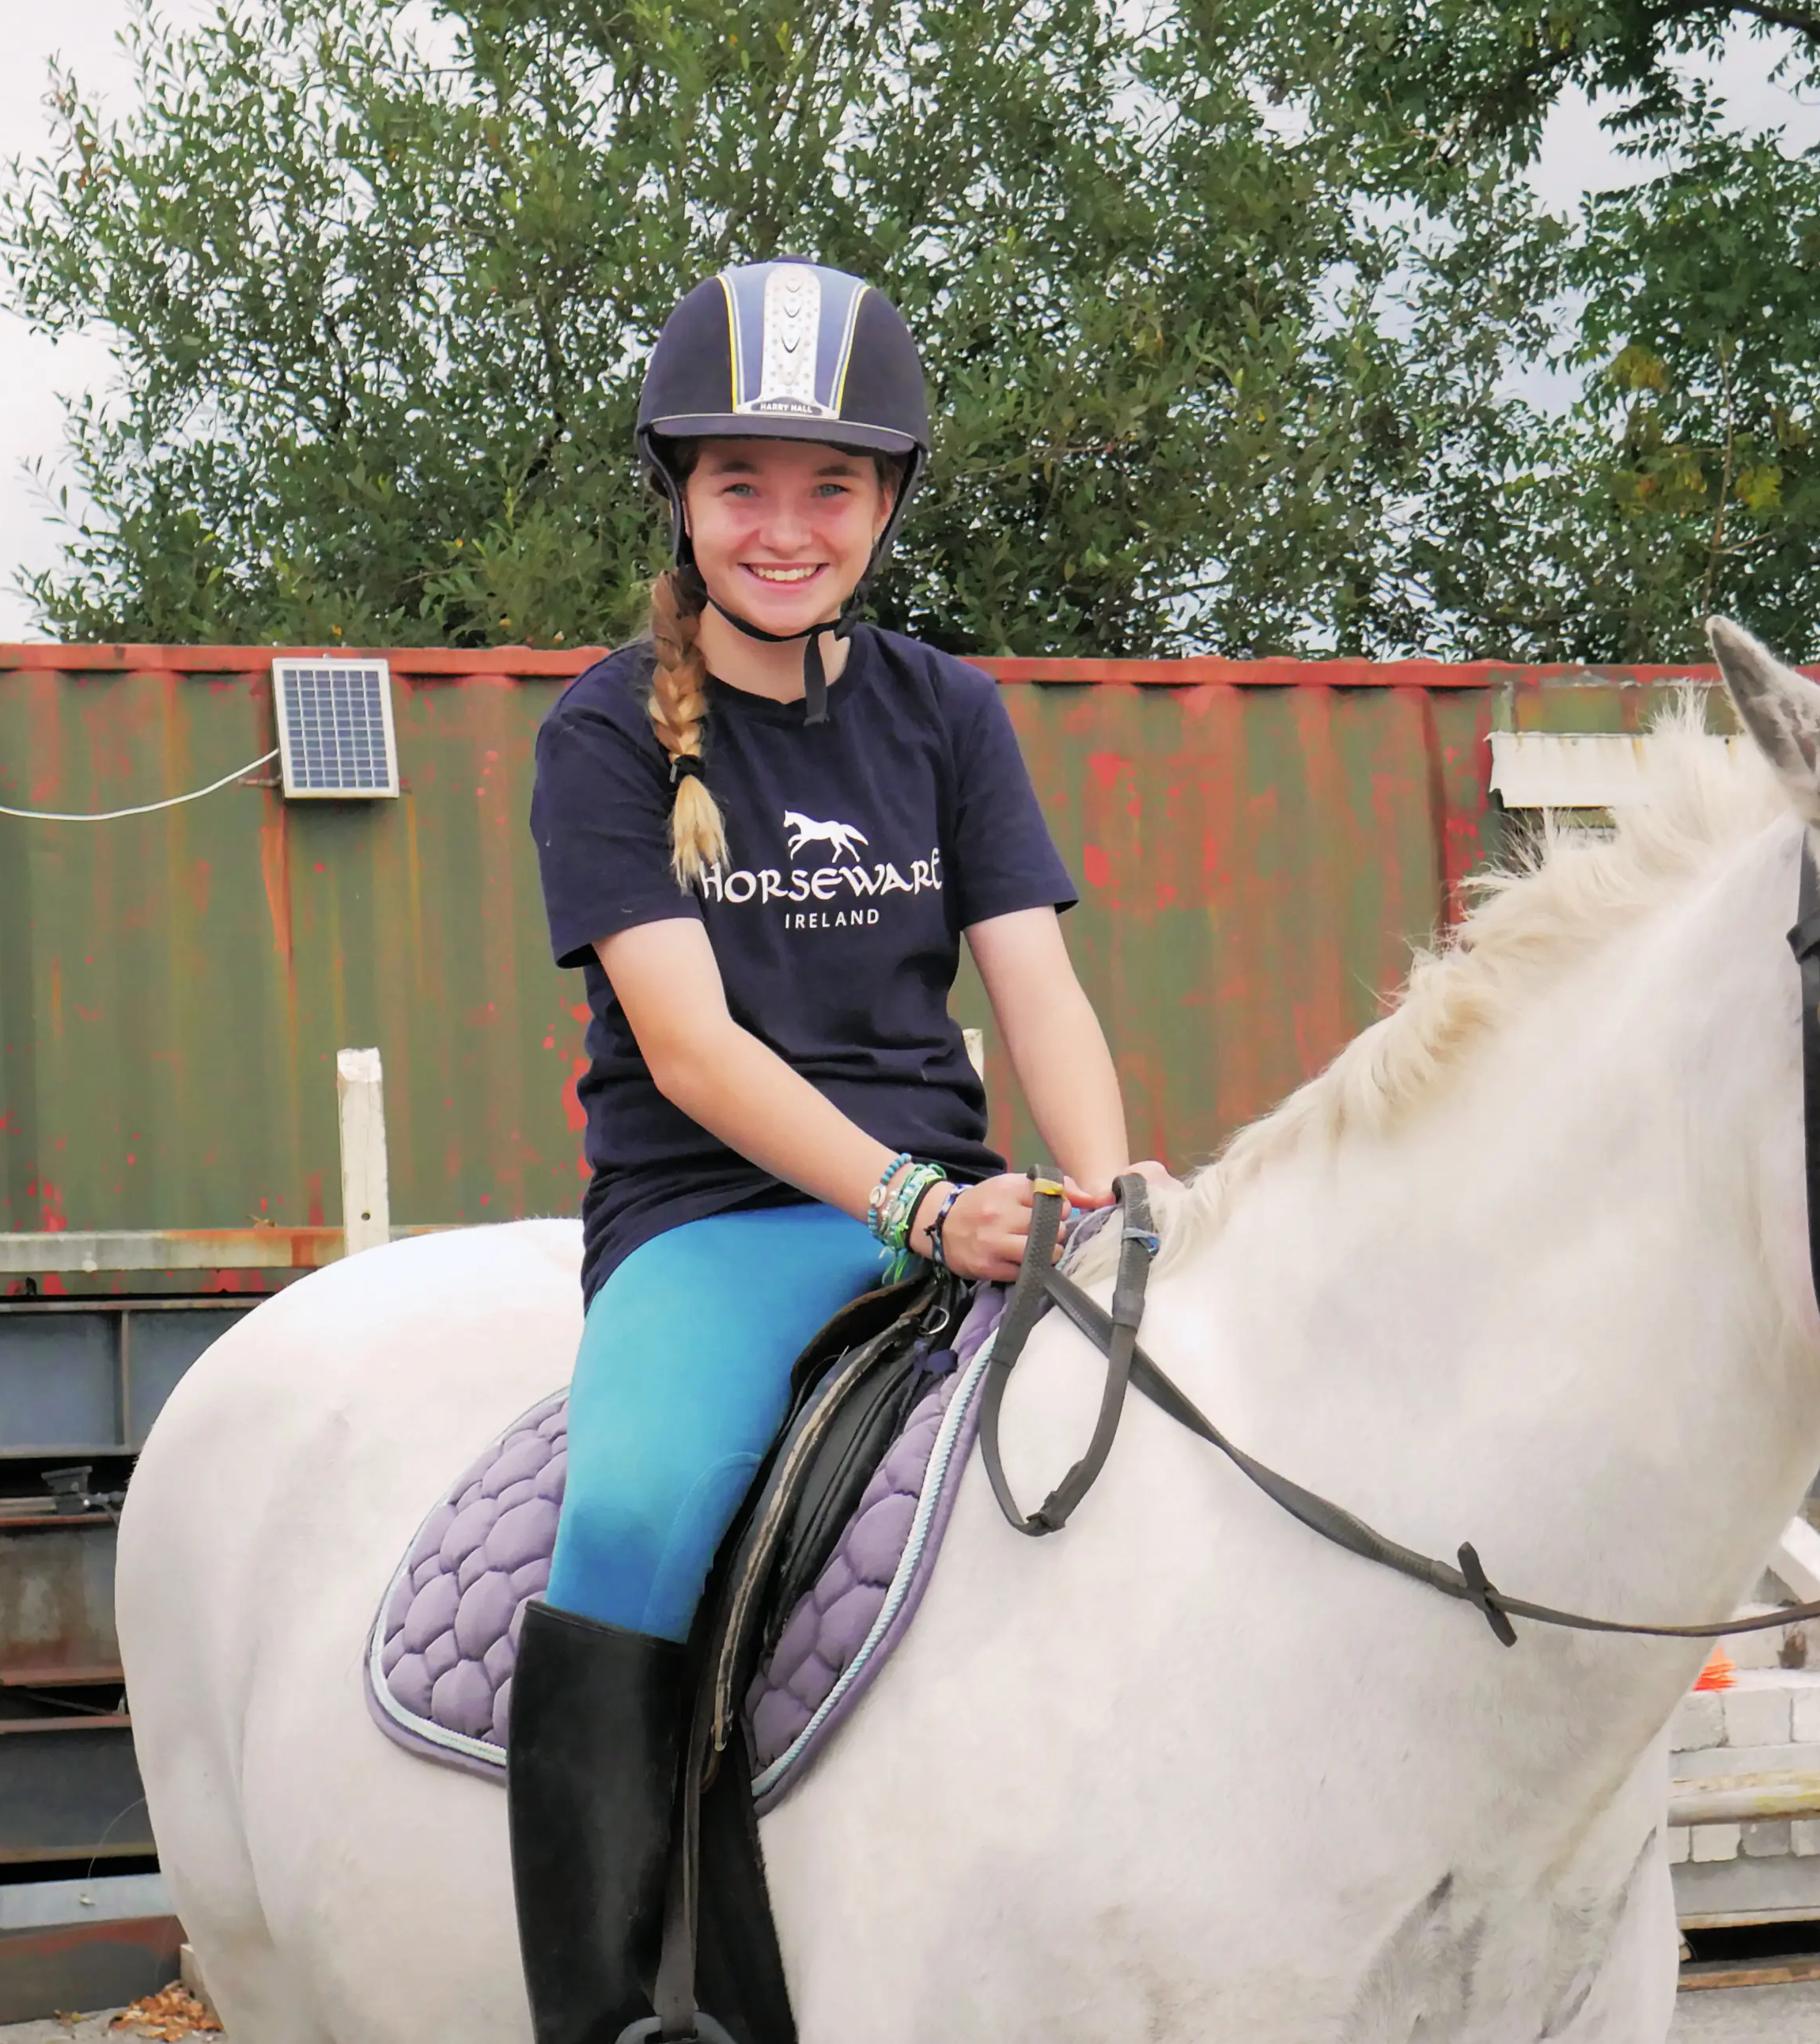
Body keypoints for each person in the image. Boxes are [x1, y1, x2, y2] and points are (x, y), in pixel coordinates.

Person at [513, 257, 1166, 2044]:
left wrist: (1104, 1195)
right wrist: (912, 1201)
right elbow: (689, 1044)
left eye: (830, 488)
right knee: (637, 1506)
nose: (785, 528)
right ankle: (602, 2015)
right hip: (720, 1220)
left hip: (957, 1211)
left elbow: (1038, 987)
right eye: (743, 484)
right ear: (683, 496)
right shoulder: (599, 734)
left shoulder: (947, 713)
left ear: (886, 505)